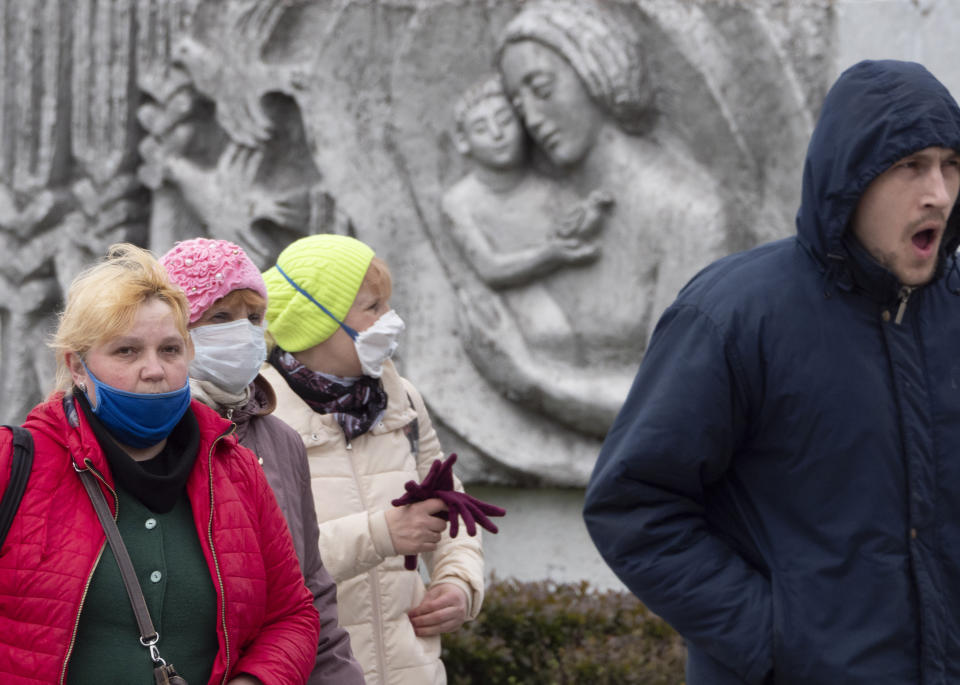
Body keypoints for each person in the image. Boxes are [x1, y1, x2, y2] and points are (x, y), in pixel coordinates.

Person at [583, 59, 960, 684]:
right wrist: (776, 643)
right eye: (910, 166)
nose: (939, 193)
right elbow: (634, 507)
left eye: (951, 164)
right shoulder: (732, 315)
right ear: (852, 177)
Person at [0, 243, 319, 684]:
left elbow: (292, 613)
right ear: (77, 367)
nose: (154, 370)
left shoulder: (235, 467)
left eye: (170, 349)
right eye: (127, 351)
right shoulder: (15, 465)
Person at [260, 234, 484, 684]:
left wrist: (459, 583)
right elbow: (266, 562)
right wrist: (381, 534)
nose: (390, 320)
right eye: (372, 307)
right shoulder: (257, 419)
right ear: (315, 320)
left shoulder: (402, 401)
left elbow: (453, 509)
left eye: (387, 304)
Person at [159, 237, 366, 685]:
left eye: (254, 317)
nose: (244, 332)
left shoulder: (282, 441)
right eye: (221, 316)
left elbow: (310, 592)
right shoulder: (149, 438)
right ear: (175, 330)